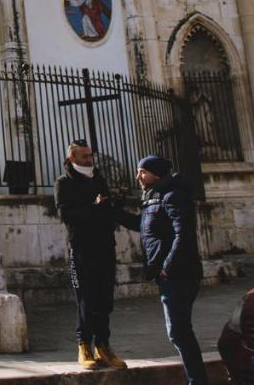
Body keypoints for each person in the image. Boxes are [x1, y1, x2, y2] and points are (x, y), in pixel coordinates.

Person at [119, 155, 207, 385]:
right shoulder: (153, 197)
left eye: (143, 171)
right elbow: (143, 226)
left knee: (179, 332)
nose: (138, 176)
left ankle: (197, 380)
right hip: (168, 274)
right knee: (180, 332)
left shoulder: (173, 196)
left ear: (156, 173)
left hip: (179, 274)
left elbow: (183, 234)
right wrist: (113, 210)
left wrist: (167, 266)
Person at [54, 138, 128, 370]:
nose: (89, 159)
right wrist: (94, 208)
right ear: (72, 158)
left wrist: (111, 204)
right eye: (84, 156)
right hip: (82, 247)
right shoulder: (63, 183)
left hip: (104, 245)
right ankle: (84, 344)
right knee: (86, 298)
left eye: (90, 155)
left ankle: (103, 345)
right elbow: (67, 215)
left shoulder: (98, 179)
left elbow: (106, 209)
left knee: (105, 298)